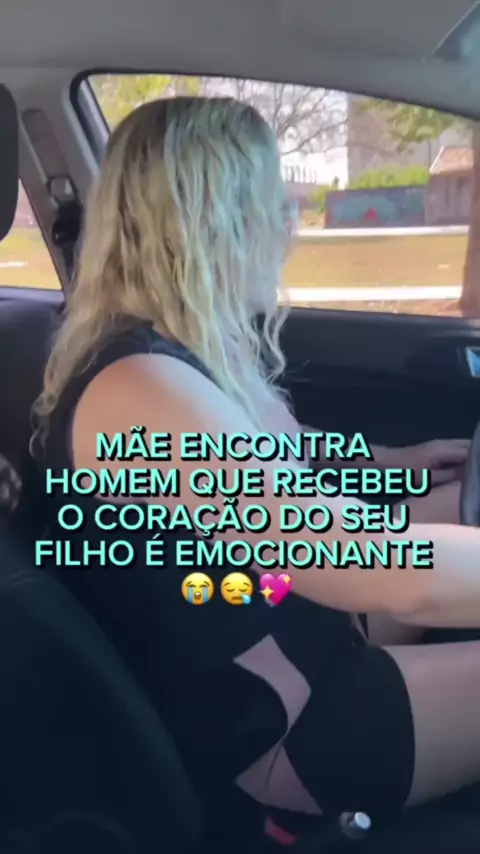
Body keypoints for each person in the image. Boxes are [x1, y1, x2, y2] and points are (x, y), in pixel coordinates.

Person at [30, 96, 480, 845]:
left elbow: (270, 457)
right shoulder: (136, 389)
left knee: (451, 499)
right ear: (210, 220)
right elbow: (365, 563)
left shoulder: (180, 351)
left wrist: (393, 462)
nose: (289, 223)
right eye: (272, 201)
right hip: (276, 732)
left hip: (291, 626)